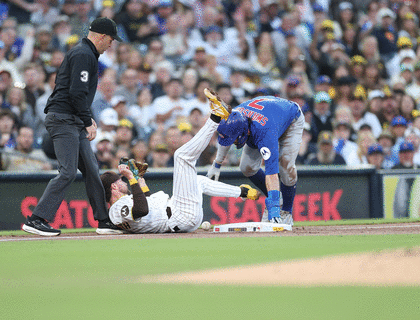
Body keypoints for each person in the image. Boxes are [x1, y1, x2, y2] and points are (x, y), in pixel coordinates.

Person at [22, 17, 123, 237]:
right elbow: (77, 92)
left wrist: (87, 118)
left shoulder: (86, 53)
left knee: (91, 170)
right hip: (64, 119)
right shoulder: (83, 54)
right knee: (67, 172)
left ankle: (103, 220)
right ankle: (37, 219)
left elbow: (80, 95)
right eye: (111, 39)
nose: (111, 44)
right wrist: (87, 121)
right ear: (102, 37)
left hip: (72, 118)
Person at [100, 100, 259, 234]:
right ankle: (215, 117)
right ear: (114, 187)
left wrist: (140, 181)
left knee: (197, 181)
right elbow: (141, 210)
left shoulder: (124, 203)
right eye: (120, 180)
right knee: (181, 157)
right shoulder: (117, 208)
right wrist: (131, 178)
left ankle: (242, 192)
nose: (123, 181)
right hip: (178, 217)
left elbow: (148, 205)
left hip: (177, 213)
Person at [207, 93, 305, 225]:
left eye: (235, 138)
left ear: (245, 132)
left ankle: (286, 212)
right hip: (268, 116)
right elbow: (226, 136)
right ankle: (278, 199)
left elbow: (271, 172)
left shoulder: (264, 133)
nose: (233, 142)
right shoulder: (235, 118)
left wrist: (274, 208)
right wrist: (217, 164)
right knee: (246, 167)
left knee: (285, 168)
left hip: (291, 120)